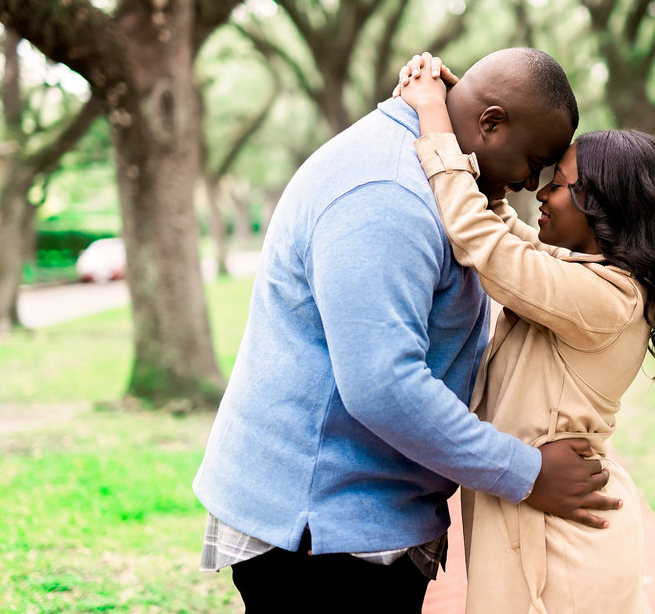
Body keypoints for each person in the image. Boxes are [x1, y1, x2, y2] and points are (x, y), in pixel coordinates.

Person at [192, 47, 620, 612]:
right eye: (534, 160)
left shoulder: (433, 172)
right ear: (490, 123)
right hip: (322, 534)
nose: (529, 184)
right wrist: (529, 473)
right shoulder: (388, 192)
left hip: (356, 519)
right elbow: (382, 385)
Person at [395, 52, 655, 613]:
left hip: (563, 543)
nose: (538, 190)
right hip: (541, 517)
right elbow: (507, 232)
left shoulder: (606, 299)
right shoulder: (585, 279)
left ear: (606, 208)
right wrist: (467, 109)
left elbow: (487, 246)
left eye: (560, 183)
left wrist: (435, 121)